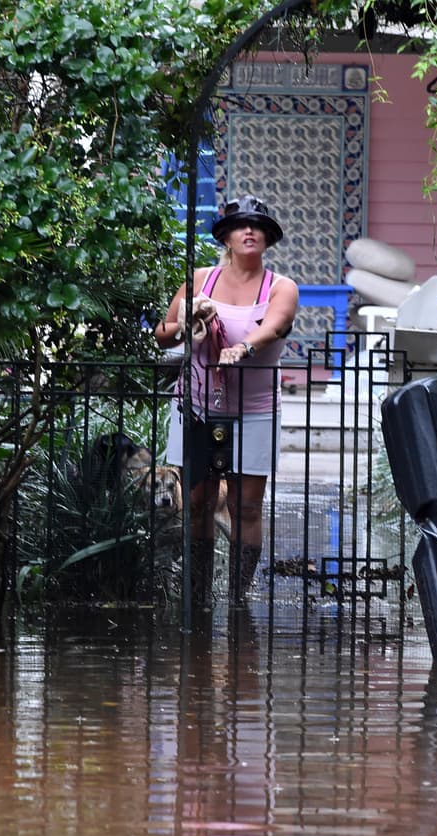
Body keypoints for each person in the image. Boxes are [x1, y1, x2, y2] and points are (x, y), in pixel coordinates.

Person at [153, 195, 299, 608]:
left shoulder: (281, 287)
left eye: (258, 226)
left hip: (254, 411)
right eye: (240, 226)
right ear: (226, 237)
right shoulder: (200, 280)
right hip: (197, 406)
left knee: (244, 505)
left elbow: (275, 325)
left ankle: (238, 595)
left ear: (267, 238)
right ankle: (198, 594)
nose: (249, 231)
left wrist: (243, 348)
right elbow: (162, 333)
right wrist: (186, 322)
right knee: (197, 500)